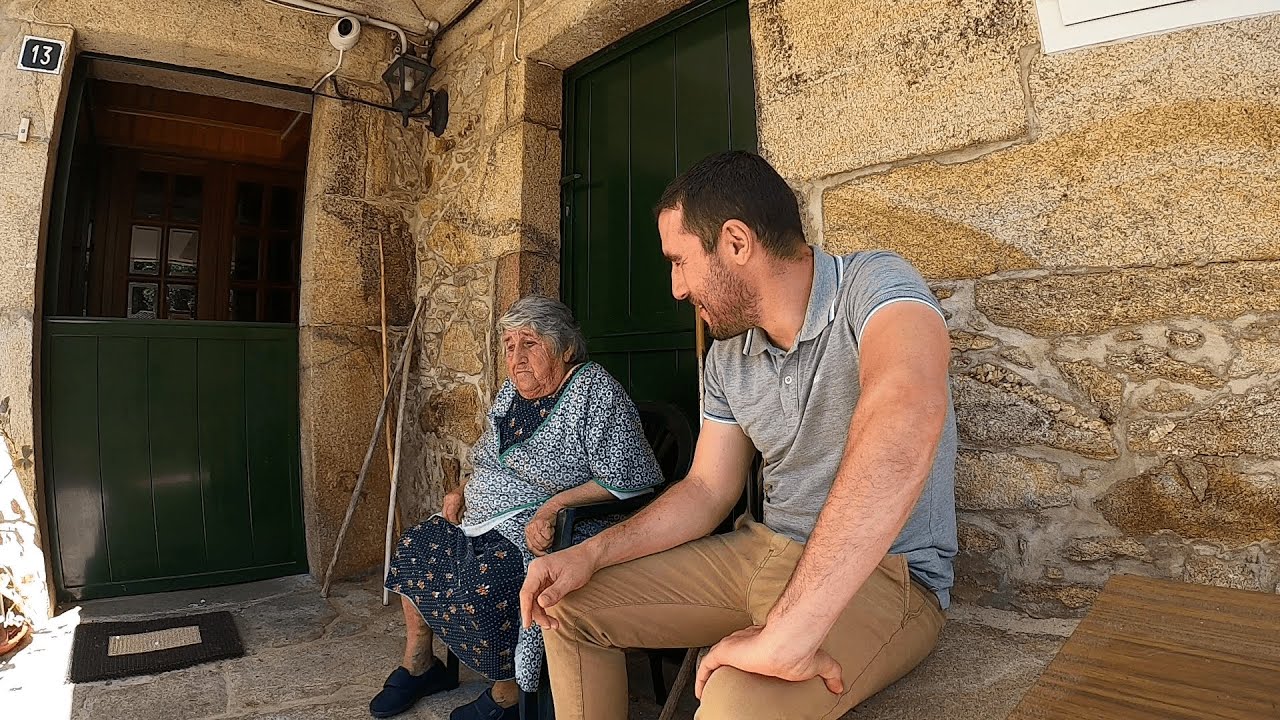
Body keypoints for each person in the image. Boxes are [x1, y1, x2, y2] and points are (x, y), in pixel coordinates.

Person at [520, 150, 958, 720]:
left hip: (886, 574)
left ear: (735, 242)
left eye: (679, 261)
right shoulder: (728, 357)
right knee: (566, 602)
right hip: (763, 551)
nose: (676, 288)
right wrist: (591, 552)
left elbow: (908, 408)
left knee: (732, 701)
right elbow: (706, 490)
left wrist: (790, 633)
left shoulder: (872, 285)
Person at [370, 296, 663, 720]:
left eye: (530, 343)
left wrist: (554, 506)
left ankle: (508, 692)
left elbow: (630, 480)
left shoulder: (594, 391)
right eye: (509, 345)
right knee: (417, 545)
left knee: (484, 580)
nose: (517, 357)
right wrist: (463, 488)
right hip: (489, 513)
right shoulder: (511, 393)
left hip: (563, 524)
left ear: (565, 349)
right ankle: (420, 663)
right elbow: (490, 455)